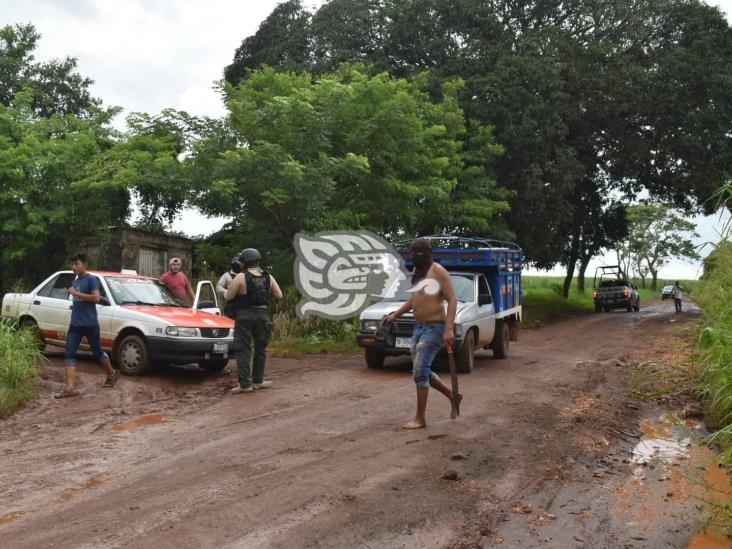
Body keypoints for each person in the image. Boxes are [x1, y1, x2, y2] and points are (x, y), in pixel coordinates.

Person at [386, 238, 461, 429]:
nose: (417, 256)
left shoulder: (438, 271)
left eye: (421, 252)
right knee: (423, 370)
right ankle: (453, 396)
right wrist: (395, 315)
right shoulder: (417, 272)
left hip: (435, 328)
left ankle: (420, 419)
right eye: (414, 252)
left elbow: (452, 299)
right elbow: (414, 300)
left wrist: (449, 329)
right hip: (419, 327)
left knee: (419, 372)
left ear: (429, 253)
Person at [56, 253, 120, 398]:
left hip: (90, 324)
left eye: (76, 264)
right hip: (75, 324)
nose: (73, 267)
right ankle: (70, 388)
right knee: (69, 354)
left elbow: (96, 298)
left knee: (97, 352)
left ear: (85, 265)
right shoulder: (76, 280)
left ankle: (111, 373)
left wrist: (76, 293)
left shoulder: (91, 279)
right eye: (72, 264)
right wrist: (75, 292)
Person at [225, 248, 283, 394]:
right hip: (262, 315)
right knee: (261, 348)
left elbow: (229, 297)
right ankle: (258, 381)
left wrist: (226, 291)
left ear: (244, 262)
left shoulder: (240, 277)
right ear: (258, 261)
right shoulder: (268, 277)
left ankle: (245, 384)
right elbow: (279, 295)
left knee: (243, 349)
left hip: (244, 316)